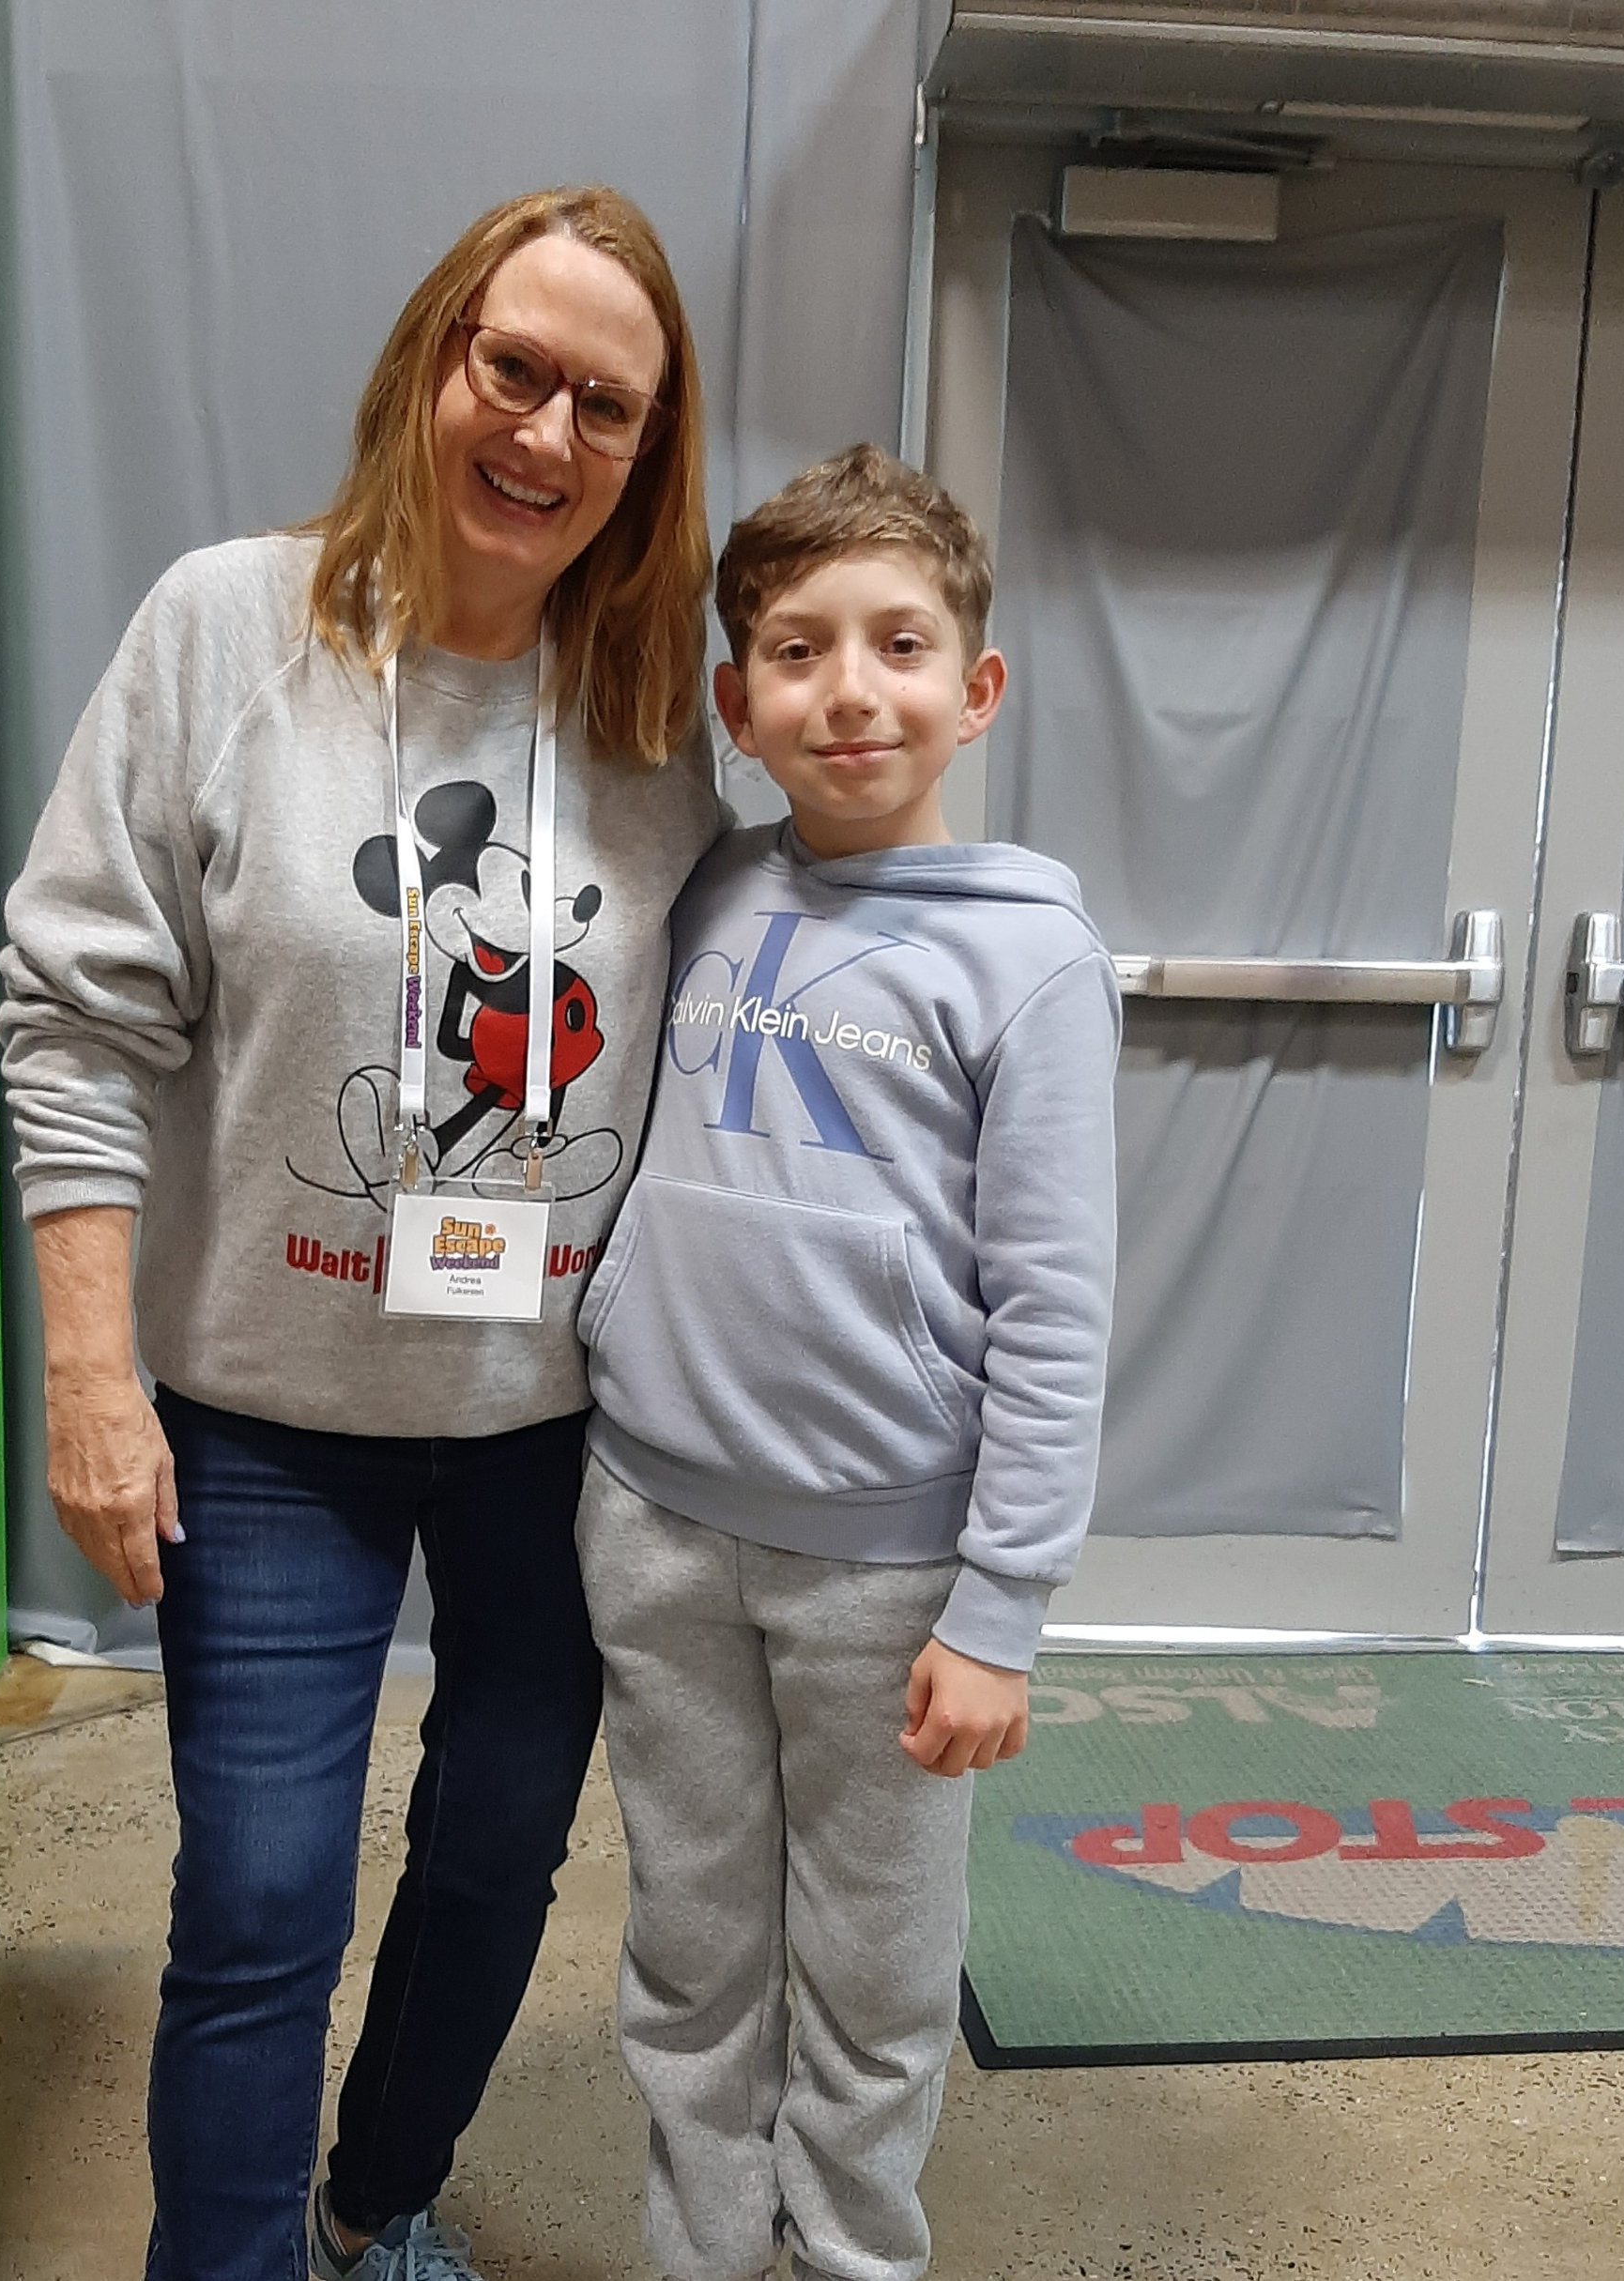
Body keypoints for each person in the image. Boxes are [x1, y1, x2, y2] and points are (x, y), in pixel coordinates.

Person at [0, 186, 723, 2281]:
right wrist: (90, 1378)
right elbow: (76, 1010)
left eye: (606, 405)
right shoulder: (229, 628)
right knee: (257, 1904)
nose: (547, 432)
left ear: (645, 453)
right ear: (432, 361)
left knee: (497, 1857)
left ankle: (372, 2202)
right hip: (265, 1419)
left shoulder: (652, 712)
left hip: (556, 1432)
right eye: (516, 369)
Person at [574, 443, 1122, 2281]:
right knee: (691, 1952)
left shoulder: (1029, 964)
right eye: (797, 651)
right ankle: (704, 2252)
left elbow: (1055, 1306)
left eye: (899, 643)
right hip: (654, 1529)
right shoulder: (703, 891)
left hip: (888, 1577)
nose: (849, 689)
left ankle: (849, 2260)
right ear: (737, 707)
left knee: (876, 1979)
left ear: (977, 687)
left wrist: (1003, 1607)